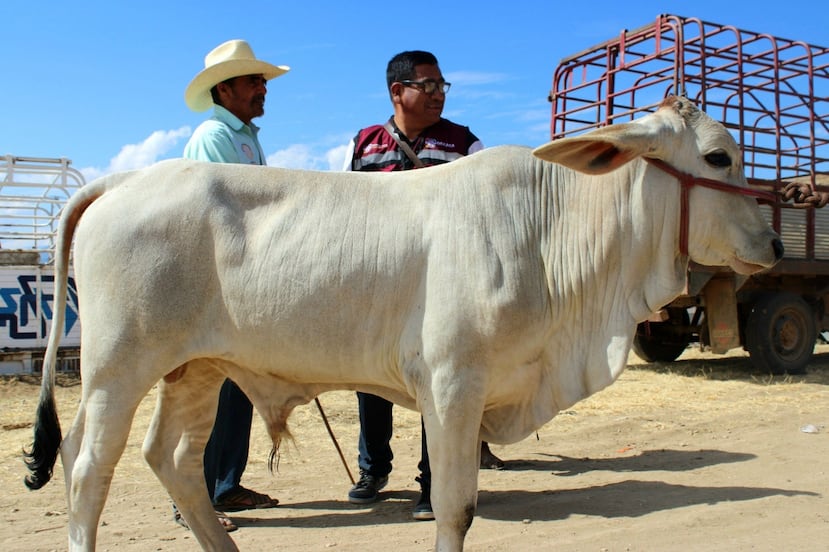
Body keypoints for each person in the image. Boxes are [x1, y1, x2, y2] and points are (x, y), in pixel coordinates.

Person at [342, 50, 505, 522]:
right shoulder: (364, 143)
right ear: (398, 92)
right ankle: (373, 470)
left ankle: (434, 485)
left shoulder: (465, 144)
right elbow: (348, 212)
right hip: (379, 286)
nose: (438, 94)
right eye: (428, 85)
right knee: (369, 378)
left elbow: (488, 210)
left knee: (442, 385)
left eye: (441, 87)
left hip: (446, 290)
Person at [174, 38, 289, 531]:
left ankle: (225, 483)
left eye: (261, 80)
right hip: (217, 281)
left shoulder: (244, 136)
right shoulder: (212, 136)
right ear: (225, 89)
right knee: (209, 393)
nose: (262, 88)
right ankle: (193, 496)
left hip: (244, 278)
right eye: (253, 81)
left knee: (238, 386)